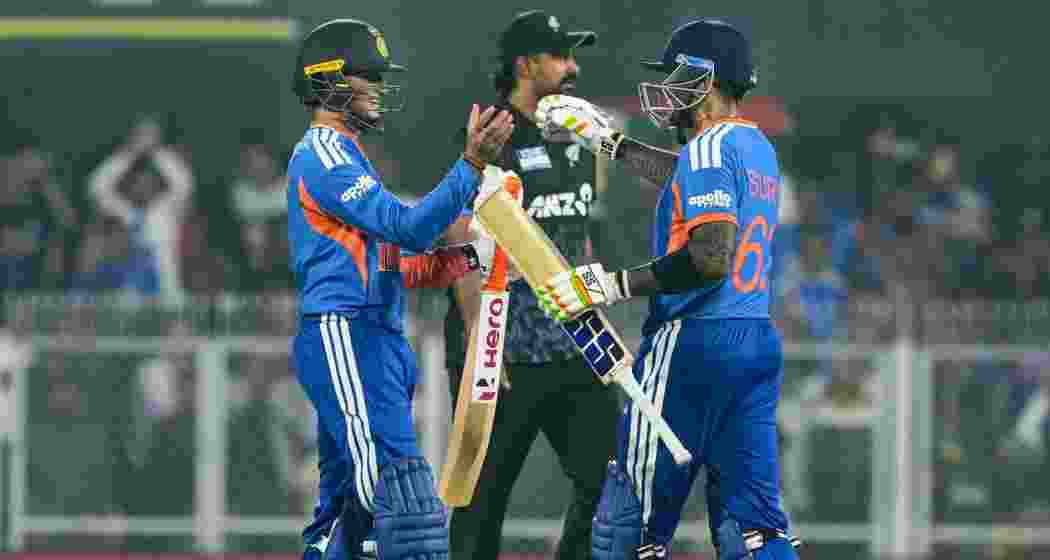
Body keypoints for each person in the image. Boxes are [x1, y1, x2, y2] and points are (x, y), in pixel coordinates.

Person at [534, 19, 802, 559]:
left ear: (705, 80)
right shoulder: (755, 147)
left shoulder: (708, 146)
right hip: (753, 342)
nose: (667, 88)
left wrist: (611, 285)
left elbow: (709, 258)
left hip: (692, 346)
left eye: (677, 75)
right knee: (755, 531)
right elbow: (690, 178)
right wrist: (610, 144)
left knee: (626, 525)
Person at [285, 18, 513, 560]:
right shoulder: (326, 156)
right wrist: (470, 166)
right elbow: (406, 227)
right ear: (331, 82)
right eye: (369, 77)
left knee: (348, 508)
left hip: (375, 334)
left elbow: (393, 264)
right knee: (397, 495)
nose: (381, 89)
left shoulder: (348, 158)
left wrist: (466, 258)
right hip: (347, 332)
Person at [439, 10, 620, 560]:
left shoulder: (579, 137)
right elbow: (460, 233)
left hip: (572, 347)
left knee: (613, 483)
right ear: (526, 64)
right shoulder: (492, 132)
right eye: (561, 56)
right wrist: (478, 338)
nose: (573, 68)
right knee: (481, 500)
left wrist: (598, 322)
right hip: (505, 350)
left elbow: (578, 238)